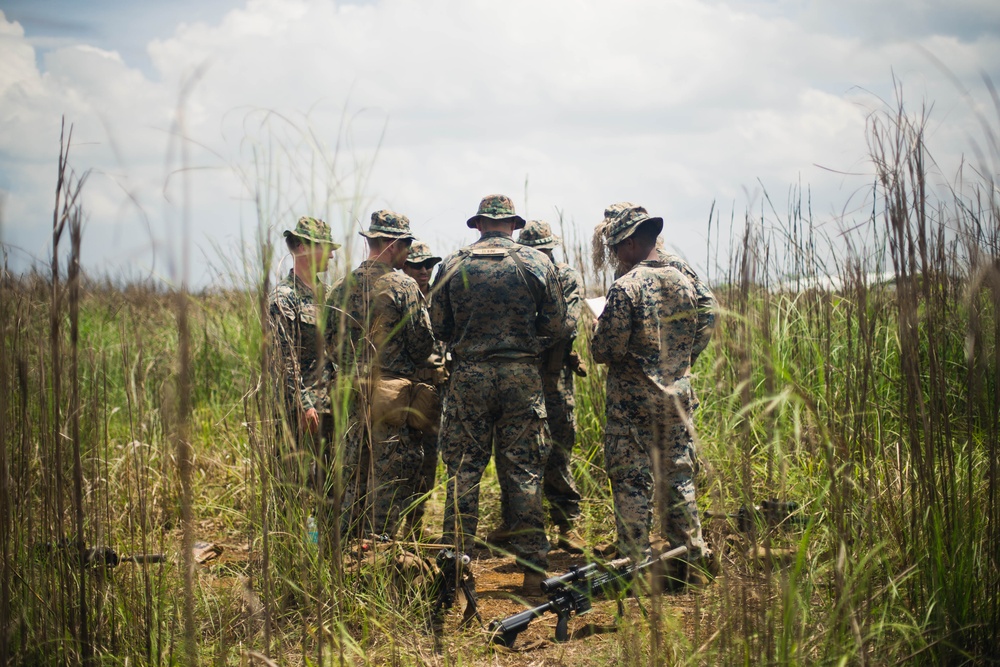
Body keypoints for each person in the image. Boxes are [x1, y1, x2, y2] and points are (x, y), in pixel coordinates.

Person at [431, 194, 567, 593]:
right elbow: (558, 325)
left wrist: (469, 342)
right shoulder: (536, 262)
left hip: (469, 376)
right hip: (521, 376)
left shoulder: (453, 263)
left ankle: (453, 572)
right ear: (513, 224)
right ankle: (533, 573)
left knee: (463, 474)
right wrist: (527, 345)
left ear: (478, 225)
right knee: (524, 472)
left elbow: (438, 325)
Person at [590, 203, 715, 585]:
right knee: (679, 474)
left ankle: (635, 566)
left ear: (629, 244)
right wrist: (683, 358)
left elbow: (605, 350)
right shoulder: (684, 278)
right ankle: (691, 559)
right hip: (677, 396)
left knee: (631, 478)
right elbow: (708, 314)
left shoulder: (626, 287)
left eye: (615, 247)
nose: (613, 254)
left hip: (632, 402)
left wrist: (596, 327)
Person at [330, 210, 434, 539]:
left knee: (352, 475)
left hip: (350, 393)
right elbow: (422, 342)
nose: (407, 252)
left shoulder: (343, 285)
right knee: (389, 478)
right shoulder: (402, 285)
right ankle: (377, 550)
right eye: (405, 244)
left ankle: (343, 548)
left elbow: (329, 340)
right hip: (390, 398)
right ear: (392, 244)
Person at [487, 219, 587, 553]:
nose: (542, 256)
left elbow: (563, 325)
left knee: (557, 450)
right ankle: (514, 523)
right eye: (536, 251)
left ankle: (566, 523)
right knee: (510, 451)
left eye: (546, 250)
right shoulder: (518, 275)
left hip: (553, 379)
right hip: (520, 377)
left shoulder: (565, 277)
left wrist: (522, 338)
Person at [268, 216, 340, 468]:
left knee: (333, 490)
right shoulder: (284, 297)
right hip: (306, 413)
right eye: (325, 247)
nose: (331, 256)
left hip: (335, 407)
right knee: (299, 483)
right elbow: (283, 360)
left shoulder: (330, 295)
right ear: (302, 247)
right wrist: (303, 405)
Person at [400, 240, 446, 537]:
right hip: (403, 392)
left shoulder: (439, 299)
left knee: (428, 461)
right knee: (399, 459)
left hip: (434, 393)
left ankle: (415, 525)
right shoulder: (398, 297)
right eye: (416, 265)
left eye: (428, 264)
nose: (424, 270)